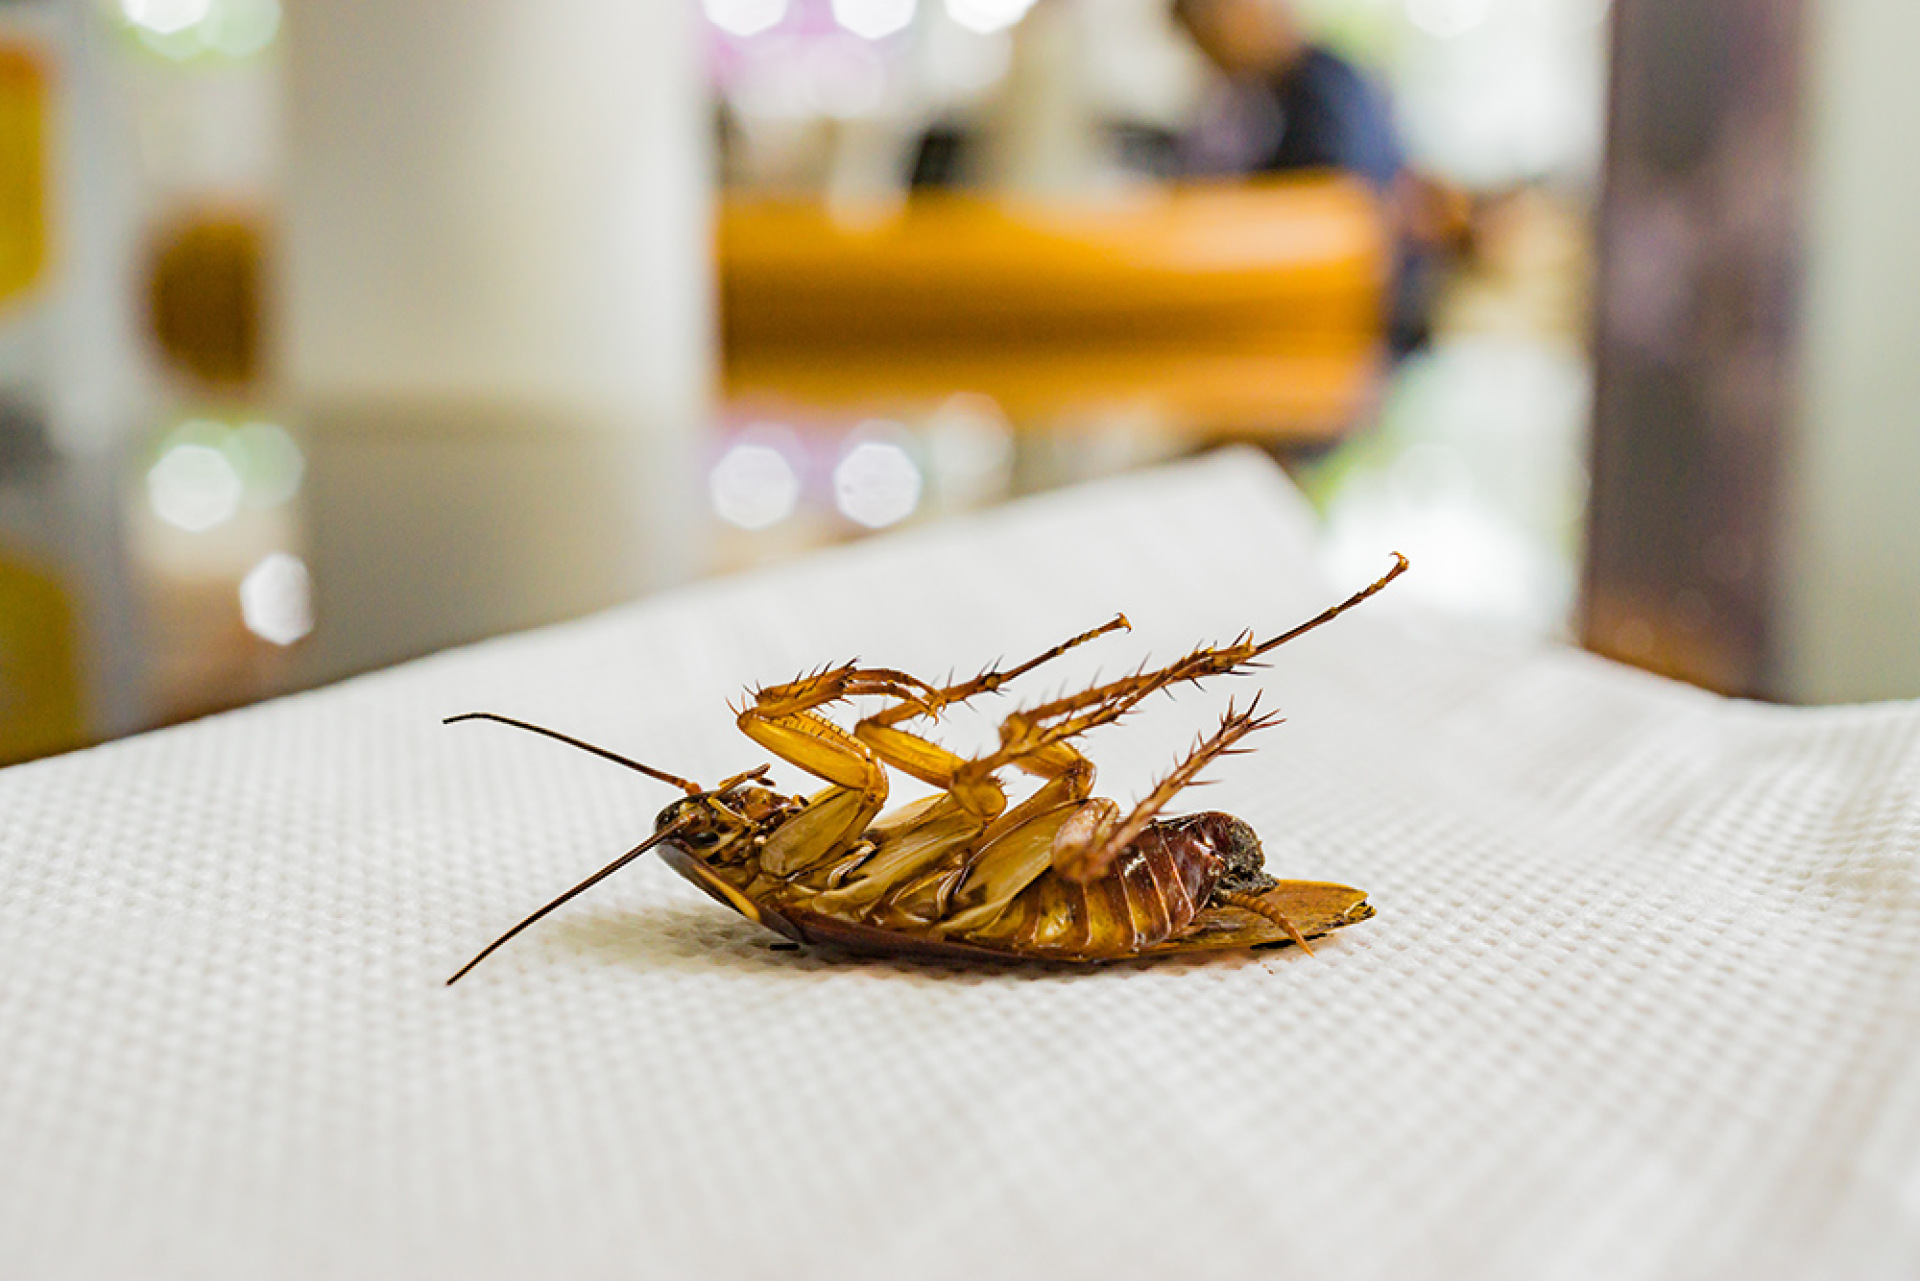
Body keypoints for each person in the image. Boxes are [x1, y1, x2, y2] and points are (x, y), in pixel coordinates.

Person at [1172, 0, 1461, 352]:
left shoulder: (1325, 88)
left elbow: (1340, 215)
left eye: (1208, 34)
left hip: (1348, 318)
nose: (1210, 56)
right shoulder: (1279, 90)